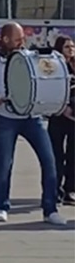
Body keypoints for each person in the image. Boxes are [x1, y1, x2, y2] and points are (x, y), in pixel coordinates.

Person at [0, 23, 65, 225]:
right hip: (5, 118)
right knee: (3, 163)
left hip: (31, 116)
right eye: (18, 39)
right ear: (5, 39)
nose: (22, 42)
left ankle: (50, 209)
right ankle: (1, 205)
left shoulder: (27, 56)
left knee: (49, 161)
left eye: (23, 39)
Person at [49, 36, 75, 206]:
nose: (71, 49)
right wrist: (62, 107)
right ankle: (55, 191)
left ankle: (70, 189)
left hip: (73, 117)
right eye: (67, 47)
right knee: (56, 156)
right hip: (58, 115)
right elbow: (49, 89)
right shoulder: (54, 66)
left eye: (72, 46)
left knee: (73, 156)